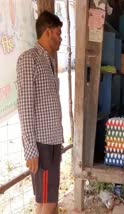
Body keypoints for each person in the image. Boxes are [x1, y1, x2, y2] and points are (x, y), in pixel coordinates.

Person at [17, 11, 63, 214]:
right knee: (48, 203)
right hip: (41, 145)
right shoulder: (29, 60)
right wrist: (30, 149)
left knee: (45, 201)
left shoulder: (50, 61)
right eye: (58, 33)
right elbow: (25, 107)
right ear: (48, 32)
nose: (60, 38)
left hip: (53, 141)